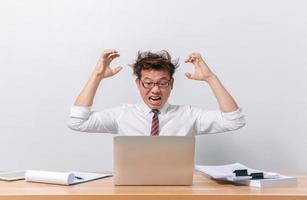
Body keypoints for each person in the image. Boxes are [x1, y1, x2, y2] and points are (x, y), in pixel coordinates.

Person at [68, 49, 245, 136]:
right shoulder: (123, 114)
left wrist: (210, 77)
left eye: (162, 83)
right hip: (132, 189)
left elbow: (234, 121)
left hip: (178, 190)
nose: (155, 89)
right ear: (138, 84)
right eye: (148, 83)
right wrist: (97, 75)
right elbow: (77, 122)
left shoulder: (188, 115)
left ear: (171, 84)